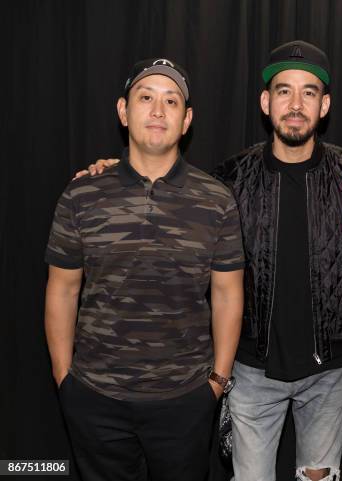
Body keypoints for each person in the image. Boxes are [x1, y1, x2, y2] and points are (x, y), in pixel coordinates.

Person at [77, 44, 342, 481]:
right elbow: (173, 184)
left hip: (334, 373)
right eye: (284, 92)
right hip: (250, 369)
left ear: (325, 106)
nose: (296, 105)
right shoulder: (229, 179)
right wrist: (116, 172)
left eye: (309, 93)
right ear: (267, 103)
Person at [44, 58, 245, 481]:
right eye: (146, 98)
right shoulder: (82, 194)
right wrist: (65, 380)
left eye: (171, 101)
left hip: (185, 398)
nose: (158, 110)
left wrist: (216, 382)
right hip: (95, 398)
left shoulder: (216, 200)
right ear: (123, 110)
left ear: (186, 119)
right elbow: (62, 290)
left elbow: (227, 293)